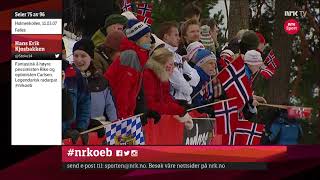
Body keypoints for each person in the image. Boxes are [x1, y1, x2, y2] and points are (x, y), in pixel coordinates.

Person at [104, 19, 160, 124]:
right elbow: (122, 90)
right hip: (115, 111)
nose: (150, 40)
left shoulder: (138, 55)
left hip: (124, 112)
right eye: (146, 36)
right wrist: (123, 117)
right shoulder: (130, 55)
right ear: (137, 39)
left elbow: (134, 91)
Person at [143, 47, 194, 130]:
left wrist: (179, 105)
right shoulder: (148, 76)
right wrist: (179, 110)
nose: (173, 67)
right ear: (161, 64)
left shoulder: (163, 78)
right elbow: (151, 104)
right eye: (171, 64)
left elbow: (165, 98)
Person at [72, 39, 117, 124]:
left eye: (83, 56)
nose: (79, 60)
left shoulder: (101, 81)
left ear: (91, 58)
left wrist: (114, 126)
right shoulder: (67, 79)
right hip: (78, 132)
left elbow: (110, 107)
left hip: (100, 130)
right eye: (76, 55)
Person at [157, 21, 200, 104]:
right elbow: (176, 80)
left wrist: (188, 77)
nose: (179, 38)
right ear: (166, 36)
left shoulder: (178, 56)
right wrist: (190, 89)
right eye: (176, 35)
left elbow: (196, 76)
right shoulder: (163, 55)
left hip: (185, 101)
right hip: (172, 101)